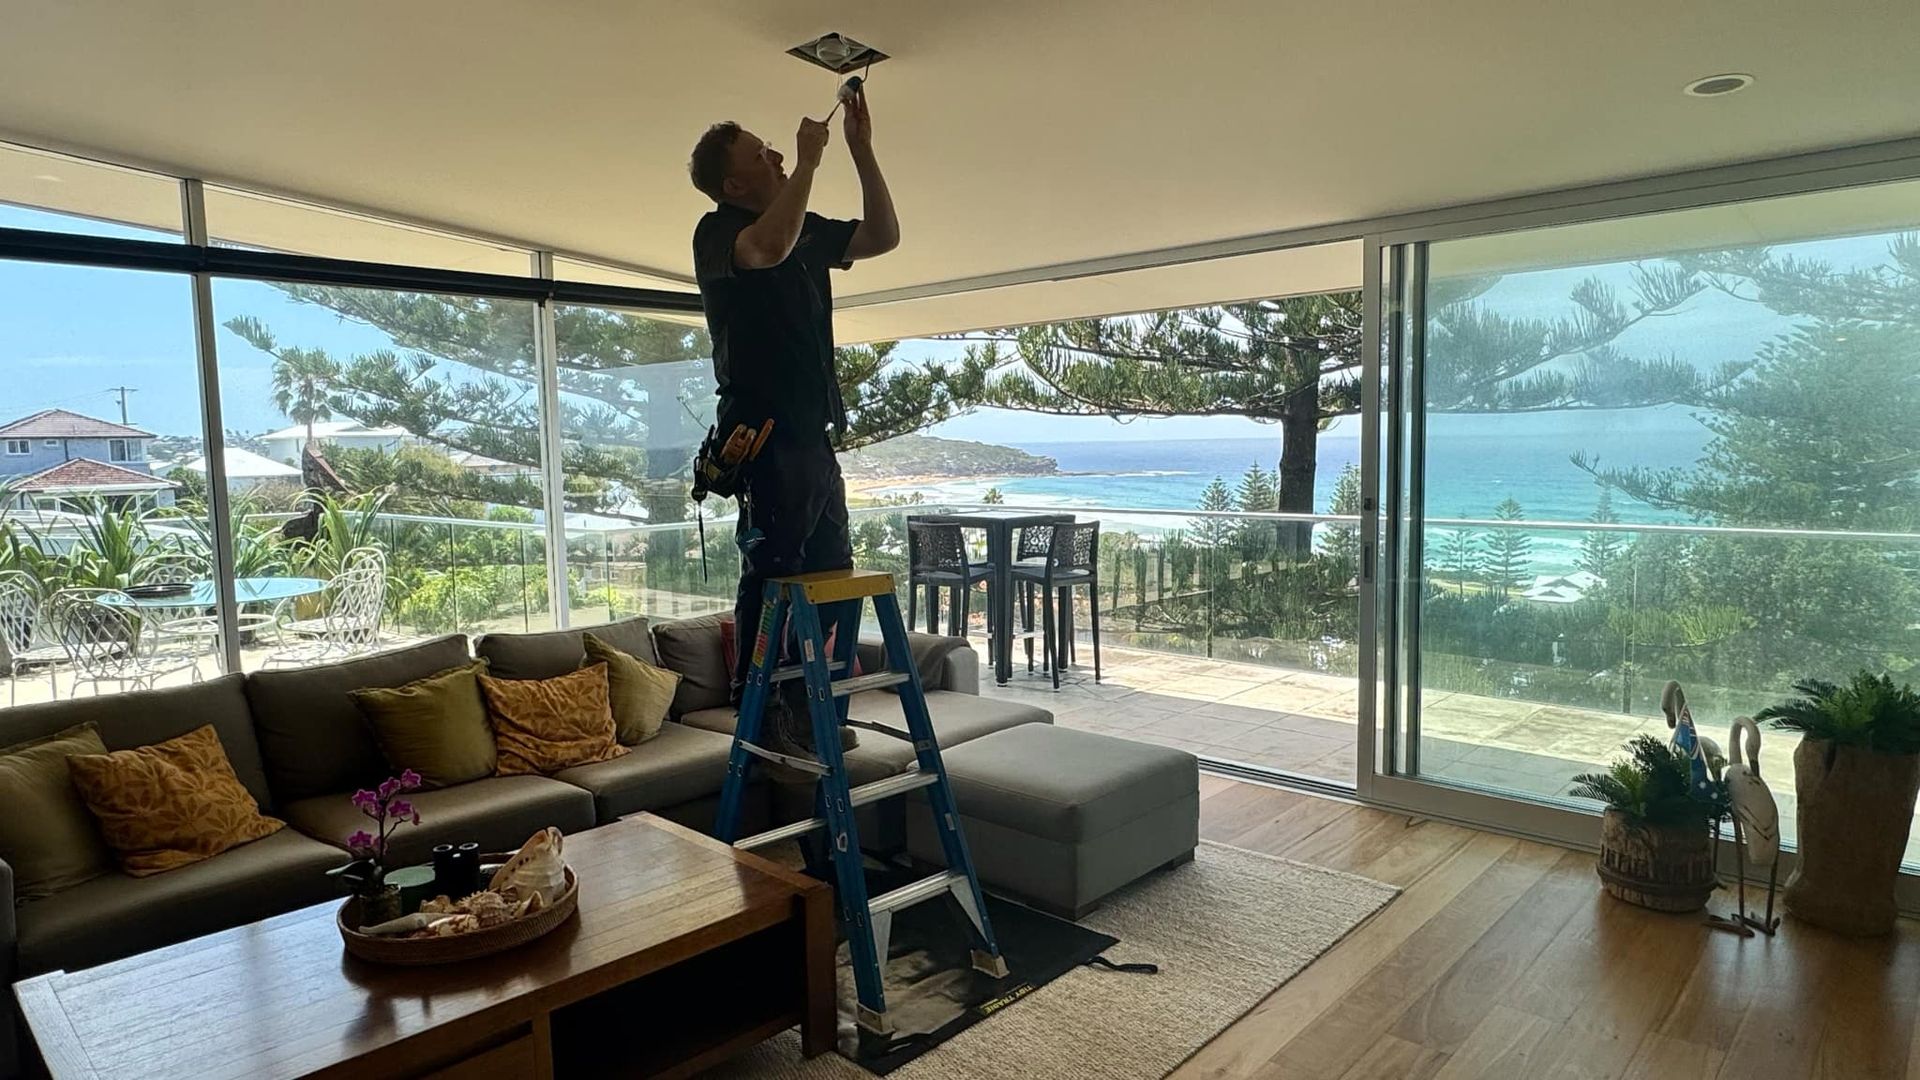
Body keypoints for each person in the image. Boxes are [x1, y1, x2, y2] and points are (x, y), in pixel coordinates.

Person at [688, 86, 898, 750]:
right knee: (774, 570)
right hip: (764, 436)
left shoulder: (802, 226)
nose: (776, 152)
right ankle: (763, 701)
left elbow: (883, 236)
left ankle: (820, 701)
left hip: (812, 433)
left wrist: (862, 151)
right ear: (734, 181)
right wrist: (808, 163)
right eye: (762, 151)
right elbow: (768, 248)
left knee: (835, 565)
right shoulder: (720, 232)